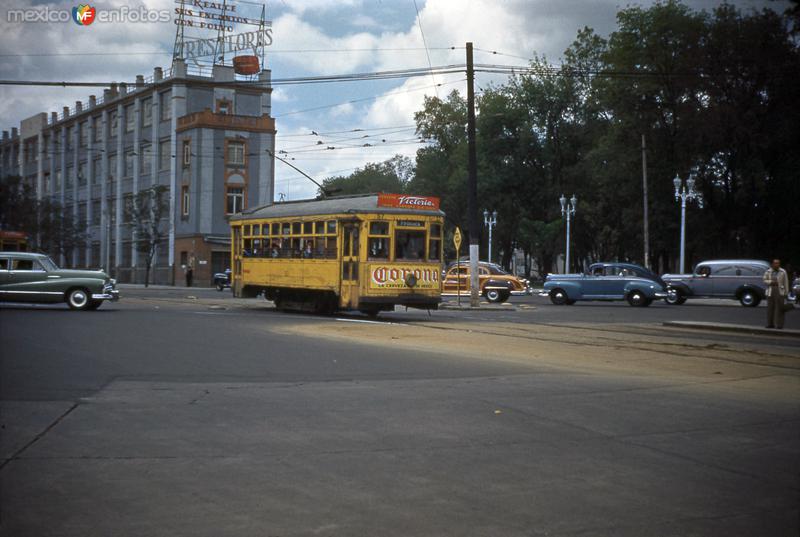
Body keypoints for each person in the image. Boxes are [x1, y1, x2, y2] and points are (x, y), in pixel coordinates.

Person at [763, 258, 789, 329]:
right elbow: (764, 280)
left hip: (780, 290)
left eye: (778, 263)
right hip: (770, 290)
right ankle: (770, 324)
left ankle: (779, 325)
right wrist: (771, 282)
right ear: (772, 264)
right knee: (770, 309)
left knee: (779, 309)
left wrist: (786, 293)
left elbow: (786, 282)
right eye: (775, 263)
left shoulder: (783, 271)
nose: (776, 264)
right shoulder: (768, 271)